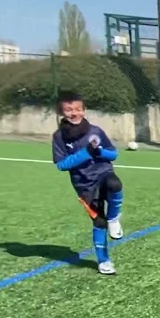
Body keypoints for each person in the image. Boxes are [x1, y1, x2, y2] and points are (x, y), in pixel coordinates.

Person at [51, 91, 124, 276]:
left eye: (77, 109)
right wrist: (86, 153)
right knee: (99, 222)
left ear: (84, 110)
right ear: (62, 113)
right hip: (84, 185)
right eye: (68, 110)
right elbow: (62, 165)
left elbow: (113, 154)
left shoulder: (96, 131)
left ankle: (114, 218)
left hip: (103, 173)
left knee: (114, 184)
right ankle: (104, 261)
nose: (74, 113)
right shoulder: (59, 137)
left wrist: (98, 151)